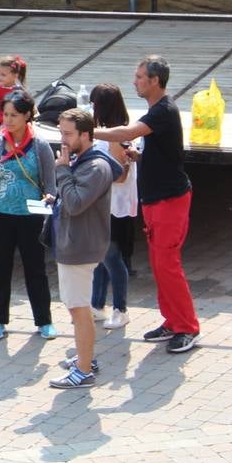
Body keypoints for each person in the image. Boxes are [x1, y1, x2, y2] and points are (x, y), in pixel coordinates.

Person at [94, 55, 201, 354]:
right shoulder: (156, 110)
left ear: (155, 81)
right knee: (159, 265)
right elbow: (162, 152)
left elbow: (126, 133)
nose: (135, 81)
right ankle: (172, 321)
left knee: (168, 266)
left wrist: (87, 131)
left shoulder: (163, 110)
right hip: (155, 200)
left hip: (170, 201)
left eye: (140, 76)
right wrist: (139, 157)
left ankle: (188, 327)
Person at [0, 89, 56, 340]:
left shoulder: (40, 146)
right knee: (0, 270)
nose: (8, 120)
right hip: (0, 215)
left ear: (27, 116)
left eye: (14, 115)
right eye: (5, 114)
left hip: (30, 218)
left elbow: (50, 185)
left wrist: (49, 198)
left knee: (35, 269)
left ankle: (44, 321)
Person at [47, 109, 119, 389]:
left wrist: (62, 171)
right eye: (61, 132)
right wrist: (57, 197)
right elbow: (73, 198)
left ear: (85, 135)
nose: (62, 140)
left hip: (80, 248)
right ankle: (85, 357)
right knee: (77, 307)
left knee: (79, 310)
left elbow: (77, 204)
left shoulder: (95, 167)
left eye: (67, 134)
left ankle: (84, 370)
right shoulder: (82, 161)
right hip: (74, 244)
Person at [88, 84, 139, 330]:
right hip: (104, 204)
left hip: (115, 206)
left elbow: (120, 176)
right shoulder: (112, 133)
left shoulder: (117, 136)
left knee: (112, 257)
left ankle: (121, 308)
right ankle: (97, 305)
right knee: (100, 257)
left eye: (94, 104)